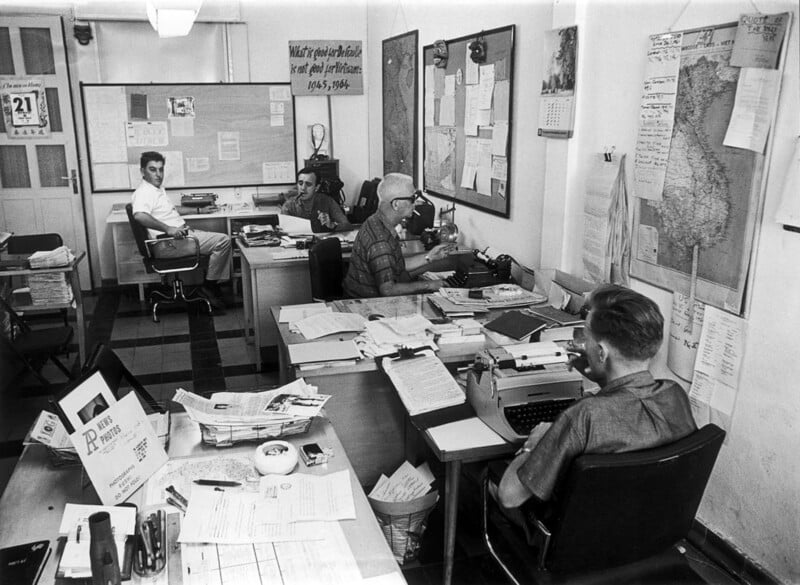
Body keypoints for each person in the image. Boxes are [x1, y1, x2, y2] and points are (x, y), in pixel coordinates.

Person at [497, 284, 697, 510]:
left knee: (492, 477)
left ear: (602, 352)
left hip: (569, 535)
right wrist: (601, 374)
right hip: (650, 523)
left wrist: (535, 444)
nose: (583, 343)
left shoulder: (584, 416)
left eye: (586, 337)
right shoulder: (675, 395)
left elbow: (510, 496)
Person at [131, 151, 231, 309]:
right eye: (152, 169)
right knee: (224, 241)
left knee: (218, 239)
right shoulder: (144, 192)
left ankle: (212, 284)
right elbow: (139, 216)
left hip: (178, 238)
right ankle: (210, 286)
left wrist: (198, 210)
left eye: (160, 169)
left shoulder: (156, 189)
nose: (158, 174)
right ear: (142, 171)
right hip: (168, 244)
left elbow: (171, 209)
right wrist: (168, 228)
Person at [342, 173, 456, 298]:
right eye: (412, 199)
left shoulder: (376, 221)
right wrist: (429, 285)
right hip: (368, 304)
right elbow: (388, 290)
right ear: (396, 204)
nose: (416, 203)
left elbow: (396, 265)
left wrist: (430, 257)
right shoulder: (380, 241)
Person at [281, 167, 352, 232]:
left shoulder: (327, 201)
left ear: (317, 187)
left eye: (308, 184)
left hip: (322, 243)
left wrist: (331, 225)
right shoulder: (289, 205)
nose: (303, 188)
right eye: (300, 183)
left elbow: (347, 225)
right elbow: (282, 230)